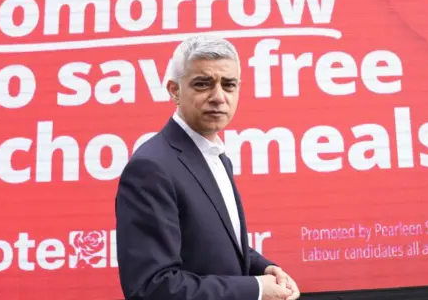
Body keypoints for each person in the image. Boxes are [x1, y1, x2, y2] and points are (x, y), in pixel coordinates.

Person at [115, 35, 300, 300]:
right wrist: (256, 289)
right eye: (203, 84)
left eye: (229, 85)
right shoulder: (151, 168)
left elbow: (216, 246)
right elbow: (152, 288)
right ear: (174, 90)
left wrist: (264, 268)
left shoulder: (216, 157)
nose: (218, 97)